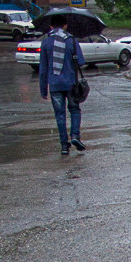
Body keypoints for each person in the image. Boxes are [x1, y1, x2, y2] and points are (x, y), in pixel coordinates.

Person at [38, 14, 86, 156]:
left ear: (51, 27)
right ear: (65, 26)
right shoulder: (71, 41)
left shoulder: (46, 43)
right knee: (75, 110)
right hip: (70, 83)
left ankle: (64, 146)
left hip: (54, 85)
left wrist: (43, 89)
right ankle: (75, 136)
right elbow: (81, 62)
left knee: (60, 115)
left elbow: (43, 70)